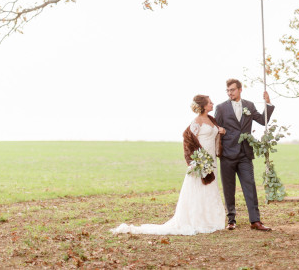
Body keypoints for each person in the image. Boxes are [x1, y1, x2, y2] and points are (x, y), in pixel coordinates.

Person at [110, 95, 227, 235]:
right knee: (198, 187)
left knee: (210, 187)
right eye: (210, 102)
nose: (212, 103)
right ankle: (197, 220)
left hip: (211, 159)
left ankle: (211, 219)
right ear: (203, 105)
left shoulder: (211, 119)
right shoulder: (196, 122)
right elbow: (188, 139)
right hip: (202, 160)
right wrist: (195, 160)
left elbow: (216, 132)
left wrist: (221, 131)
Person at [214, 78, 275, 232]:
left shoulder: (249, 105)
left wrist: (268, 104)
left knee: (250, 186)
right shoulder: (221, 108)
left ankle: (255, 221)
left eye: (232, 90)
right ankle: (231, 220)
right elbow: (215, 127)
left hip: (245, 154)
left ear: (240, 89)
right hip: (227, 154)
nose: (230, 93)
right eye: (227, 91)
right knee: (229, 188)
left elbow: (262, 120)